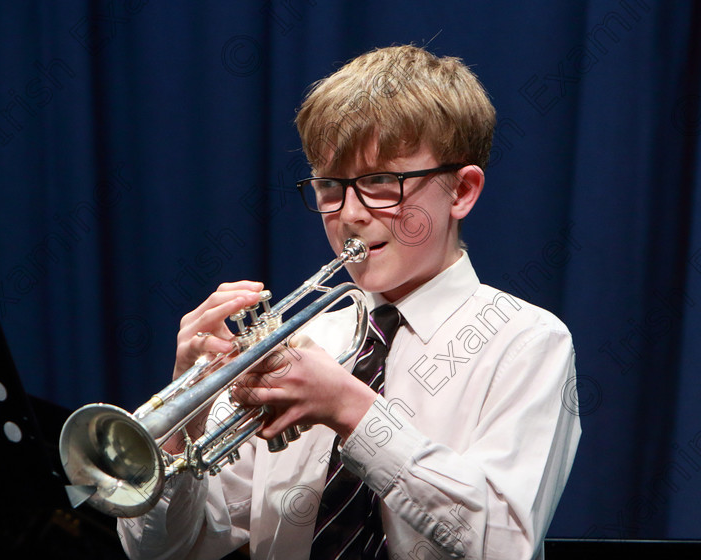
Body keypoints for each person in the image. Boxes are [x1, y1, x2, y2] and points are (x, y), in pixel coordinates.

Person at [118, 44, 581, 559]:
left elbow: (505, 545)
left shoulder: (526, 342)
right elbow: (163, 550)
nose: (351, 214)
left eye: (382, 182)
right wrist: (187, 420)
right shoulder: (302, 345)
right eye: (330, 186)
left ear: (461, 191)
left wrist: (352, 410)